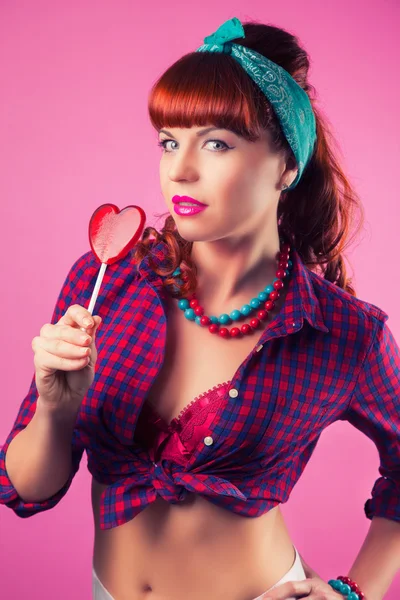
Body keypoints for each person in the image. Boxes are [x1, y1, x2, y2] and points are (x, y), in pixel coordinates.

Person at [1, 16, 399, 600]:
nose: (179, 169)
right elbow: (27, 489)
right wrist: (57, 410)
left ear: (287, 165)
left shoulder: (345, 333)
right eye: (169, 141)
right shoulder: (106, 281)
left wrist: (354, 593)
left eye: (216, 143)